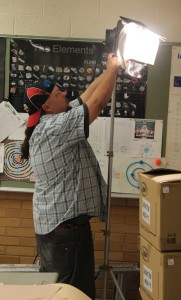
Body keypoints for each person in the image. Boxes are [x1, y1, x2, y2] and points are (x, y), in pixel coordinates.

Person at [21, 53, 119, 300]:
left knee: (57, 291)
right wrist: (113, 71)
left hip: (56, 230)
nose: (64, 93)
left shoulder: (51, 121)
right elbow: (96, 104)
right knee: (73, 295)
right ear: (46, 106)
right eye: (57, 93)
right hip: (67, 233)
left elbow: (87, 95)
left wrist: (109, 69)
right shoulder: (55, 128)